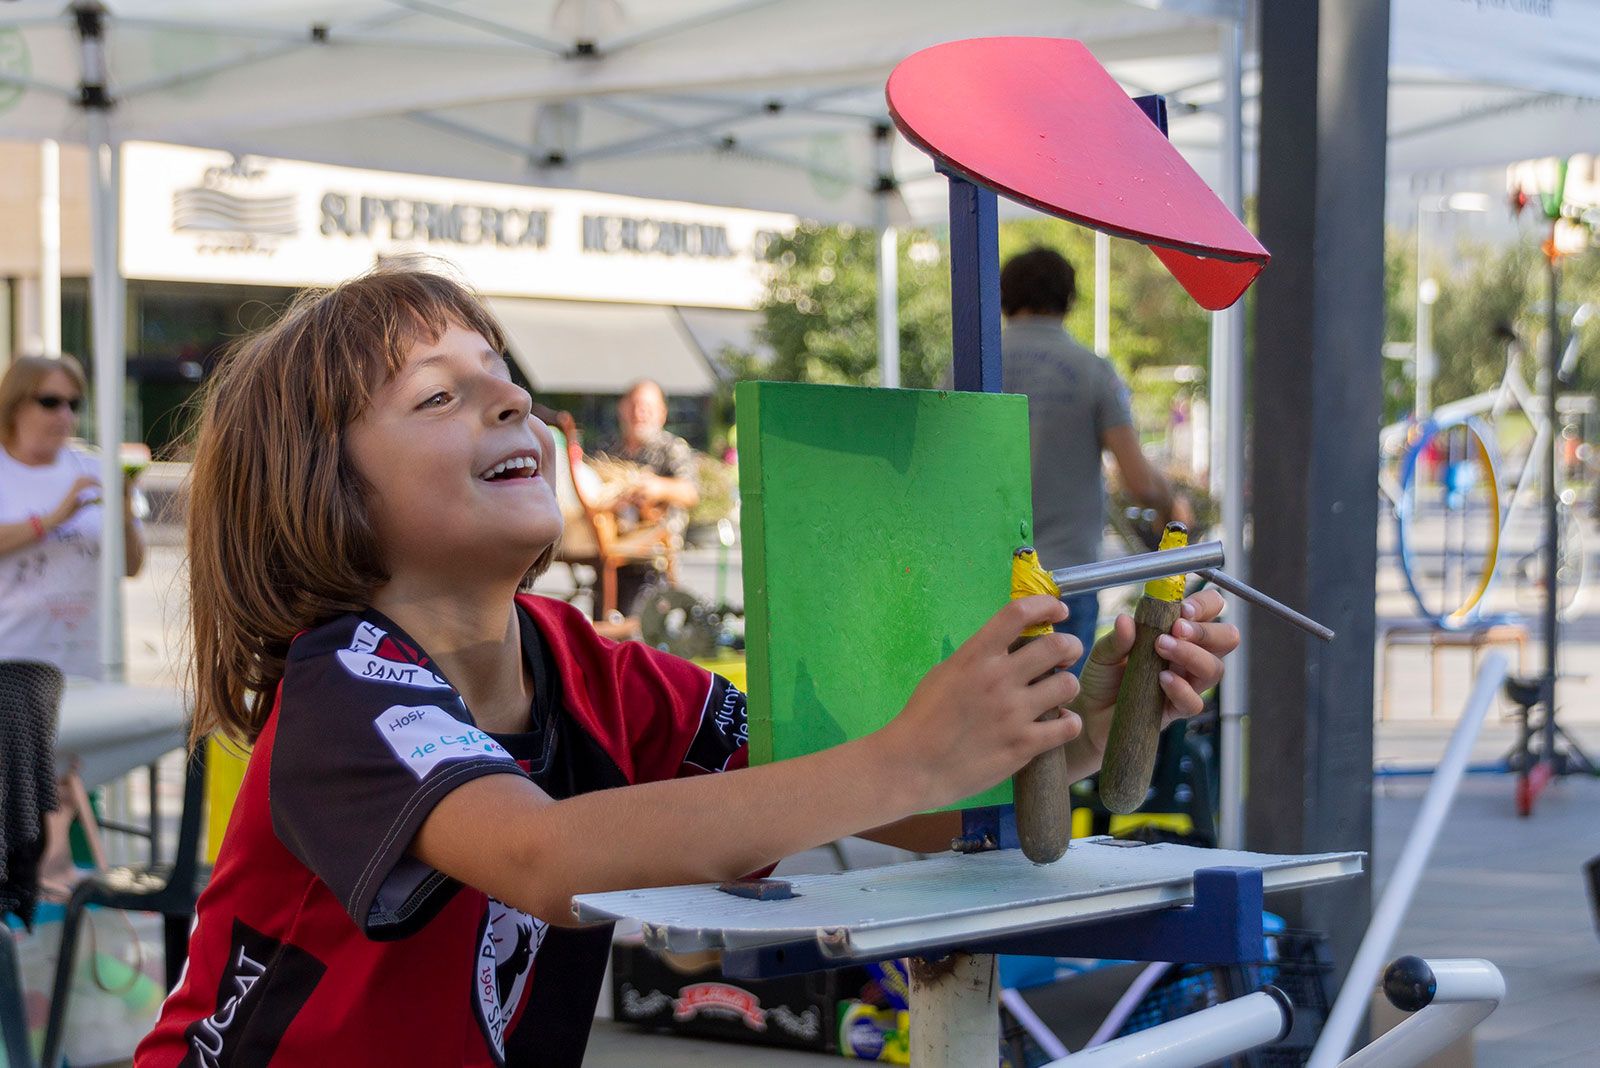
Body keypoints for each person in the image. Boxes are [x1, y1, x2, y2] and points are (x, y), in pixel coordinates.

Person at [135, 264, 1236, 1066]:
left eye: (500, 374)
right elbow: (545, 858)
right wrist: (909, 755)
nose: (509, 397)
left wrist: (1067, 731)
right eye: (438, 395)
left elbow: (891, 806)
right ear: (325, 491)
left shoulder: (594, 671)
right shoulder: (344, 685)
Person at [0, 354, 145, 923]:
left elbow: (130, 565)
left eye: (73, 403)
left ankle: (64, 934)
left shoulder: (92, 468)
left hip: (77, 661)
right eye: (50, 401)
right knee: (23, 801)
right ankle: (23, 927)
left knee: (72, 788)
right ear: (16, 404)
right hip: (11, 660)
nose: (64, 415)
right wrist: (54, 517)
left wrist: (126, 516)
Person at [999, 247, 1177, 671]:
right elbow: (1140, 483)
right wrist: (1170, 506)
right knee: (1060, 724)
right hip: (1065, 579)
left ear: (1003, 296)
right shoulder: (1091, 370)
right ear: (1068, 299)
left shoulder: (961, 367)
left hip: (981, 578)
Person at [590, 378, 701, 618]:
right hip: (608, 549)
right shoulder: (608, 448)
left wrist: (658, 488)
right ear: (622, 409)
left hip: (651, 558)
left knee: (640, 624)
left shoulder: (671, 448)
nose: (639, 414)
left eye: (647, 407)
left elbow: (691, 492)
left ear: (662, 413)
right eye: (634, 406)